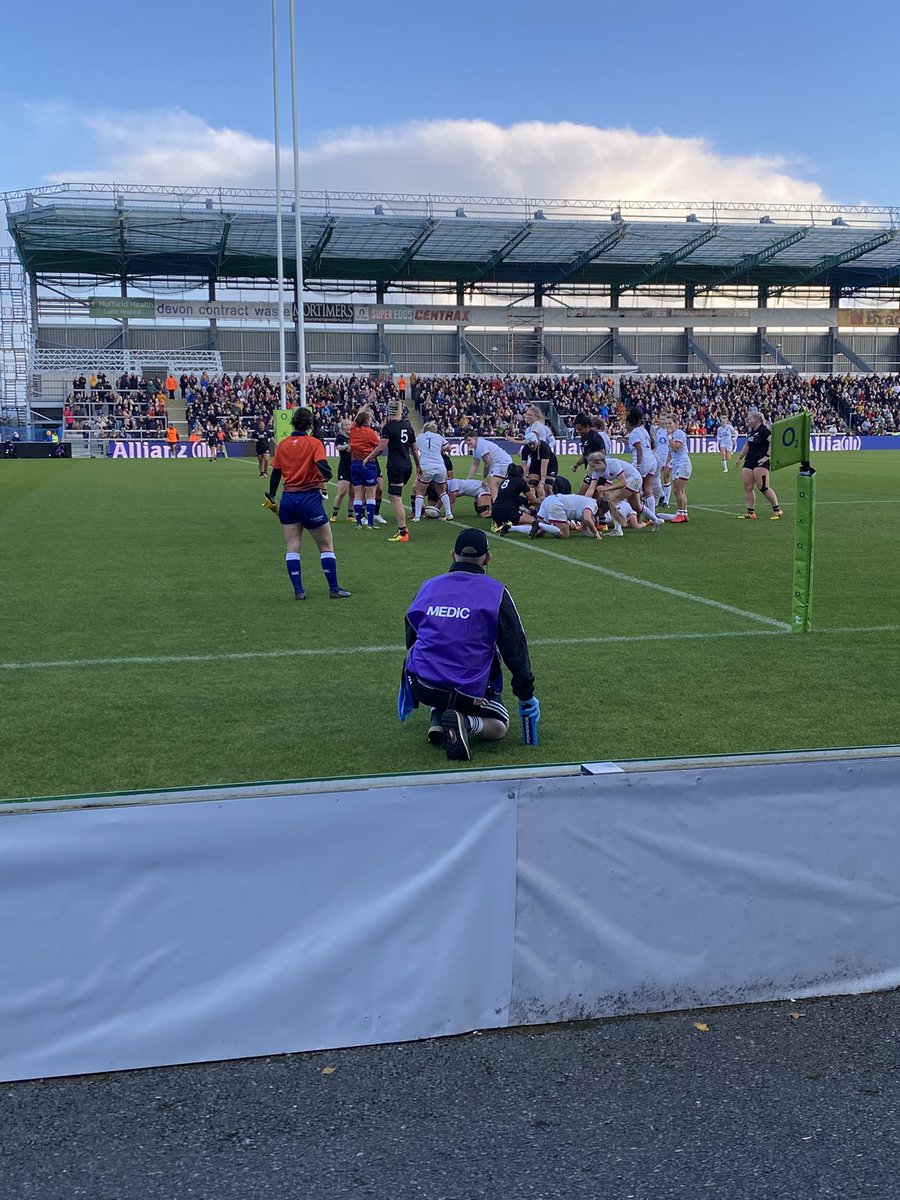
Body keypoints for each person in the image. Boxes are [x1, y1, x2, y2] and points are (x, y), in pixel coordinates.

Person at [400, 527, 538, 762]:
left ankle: (438, 716)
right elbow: (514, 647)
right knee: (500, 724)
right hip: (465, 689)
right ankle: (465, 721)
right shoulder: (496, 592)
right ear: (487, 558)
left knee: (435, 650)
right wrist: (526, 695)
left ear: (452, 554)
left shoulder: (429, 585)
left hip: (421, 683)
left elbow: (411, 635)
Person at [264, 406, 350, 600]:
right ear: (310, 425)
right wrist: (327, 474)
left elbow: (276, 472)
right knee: (326, 545)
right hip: (309, 498)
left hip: (288, 499)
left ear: (293, 422)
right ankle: (334, 588)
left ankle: (298, 590)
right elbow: (322, 466)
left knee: (293, 545)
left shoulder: (284, 444)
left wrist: (271, 495)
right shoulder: (314, 443)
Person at [364, 401, 421, 542]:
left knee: (395, 498)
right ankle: (402, 530)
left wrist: (368, 458)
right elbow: (414, 449)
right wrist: (419, 466)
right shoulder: (408, 426)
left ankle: (403, 531)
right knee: (394, 495)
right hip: (407, 465)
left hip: (396, 465)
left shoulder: (388, 427)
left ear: (389, 412)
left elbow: (380, 448)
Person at [737, 410, 785, 520]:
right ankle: (750, 512)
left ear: (756, 419)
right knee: (748, 487)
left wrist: (767, 456)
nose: (747, 419)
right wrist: (740, 457)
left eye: (749, 418)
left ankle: (777, 510)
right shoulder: (751, 431)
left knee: (763, 487)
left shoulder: (764, 430)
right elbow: (747, 445)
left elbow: (773, 442)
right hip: (749, 461)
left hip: (761, 462)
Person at [413, 423, 454, 522]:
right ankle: (449, 513)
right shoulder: (439, 437)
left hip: (426, 467)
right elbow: (449, 449)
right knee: (442, 491)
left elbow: (414, 449)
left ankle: (417, 516)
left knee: (420, 492)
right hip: (440, 466)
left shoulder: (419, 437)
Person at [349, 410, 380, 529]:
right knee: (371, 494)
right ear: (366, 420)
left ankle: (358, 522)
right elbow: (378, 445)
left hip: (355, 464)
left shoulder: (352, 431)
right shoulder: (369, 432)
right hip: (367, 464)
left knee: (358, 494)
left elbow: (356, 416)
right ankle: (370, 523)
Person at [659, 414, 691, 523]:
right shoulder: (672, 434)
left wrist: (669, 437)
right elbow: (670, 451)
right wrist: (668, 463)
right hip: (677, 463)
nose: (667, 425)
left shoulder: (679, 433)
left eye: (670, 423)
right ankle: (684, 513)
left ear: (676, 424)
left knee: (677, 490)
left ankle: (681, 513)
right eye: (666, 423)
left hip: (683, 464)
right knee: (680, 490)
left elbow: (676, 447)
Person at [465, 433, 513, 502]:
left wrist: (484, 479)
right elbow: (474, 465)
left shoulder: (481, 445)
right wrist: (468, 480)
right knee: (497, 486)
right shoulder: (476, 450)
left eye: (469, 440)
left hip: (502, 462)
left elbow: (487, 463)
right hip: (496, 465)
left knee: (493, 485)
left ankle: (496, 506)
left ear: (475, 438)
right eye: (466, 442)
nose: (468, 443)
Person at [491, 463, 537, 533]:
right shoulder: (520, 482)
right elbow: (533, 500)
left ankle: (506, 525)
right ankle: (510, 528)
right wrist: (543, 503)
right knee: (534, 522)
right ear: (522, 474)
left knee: (519, 504)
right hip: (508, 512)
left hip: (495, 513)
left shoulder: (505, 481)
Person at [330, 419, 354, 522]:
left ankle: (350, 515)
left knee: (353, 493)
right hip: (344, 467)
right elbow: (338, 447)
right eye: (346, 425)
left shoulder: (354, 436)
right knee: (342, 492)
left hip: (354, 466)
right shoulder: (340, 437)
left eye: (350, 425)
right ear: (342, 427)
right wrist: (346, 447)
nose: (348, 427)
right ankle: (334, 514)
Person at [521, 431, 558, 499]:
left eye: (533, 444)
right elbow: (524, 465)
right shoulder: (525, 449)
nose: (532, 446)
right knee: (532, 486)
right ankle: (534, 504)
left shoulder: (544, 447)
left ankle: (551, 501)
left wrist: (542, 481)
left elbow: (544, 466)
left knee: (547, 487)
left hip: (550, 465)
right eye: (529, 444)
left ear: (536, 441)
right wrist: (524, 476)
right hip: (535, 464)